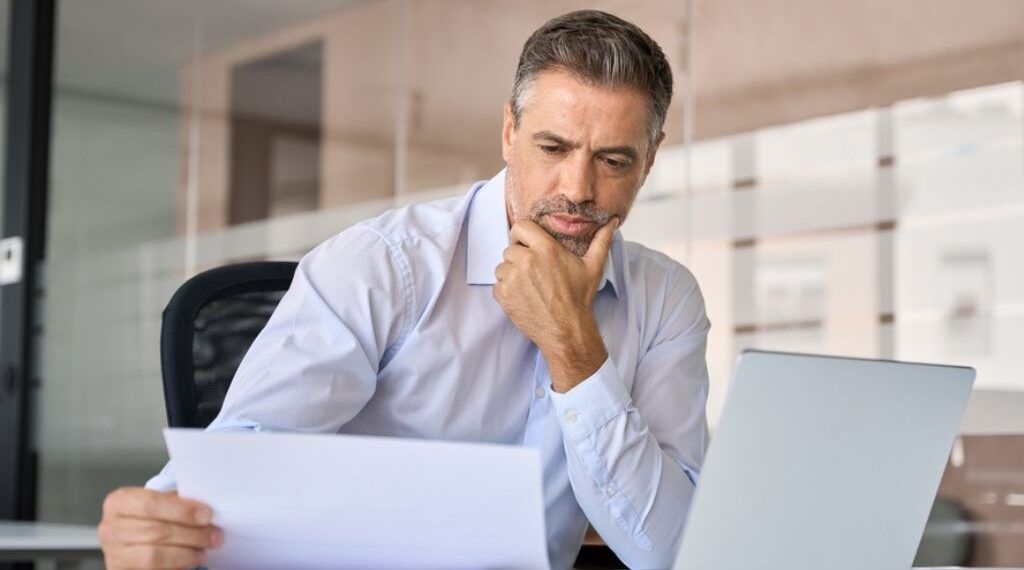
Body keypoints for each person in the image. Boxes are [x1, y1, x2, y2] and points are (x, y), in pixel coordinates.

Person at [98, 9, 710, 570]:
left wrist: (572, 344)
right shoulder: (386, 264)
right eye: (552, 148)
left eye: (614, 161)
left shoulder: (665, 299)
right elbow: (241, 463)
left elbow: (671, 549)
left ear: (650, 159)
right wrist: (156, 524)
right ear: (508, 132)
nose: (577, 188)